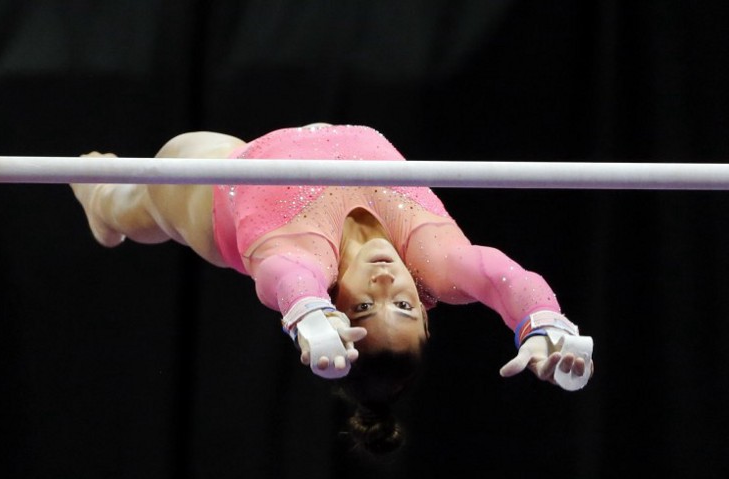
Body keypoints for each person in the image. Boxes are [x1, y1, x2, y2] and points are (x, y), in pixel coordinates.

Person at [71, 124, 593, 455]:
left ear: (337, 305)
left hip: (215, 189)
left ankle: (104, 204)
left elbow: (287, 279)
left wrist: (307, 313)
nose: (388, 281)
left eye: (366, 305)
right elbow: (502, 277)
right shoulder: (435, 257)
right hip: (264, 159)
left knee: (137, 196)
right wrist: (542, 320)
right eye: (405, 306)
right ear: (428, 309)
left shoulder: (303, 258)